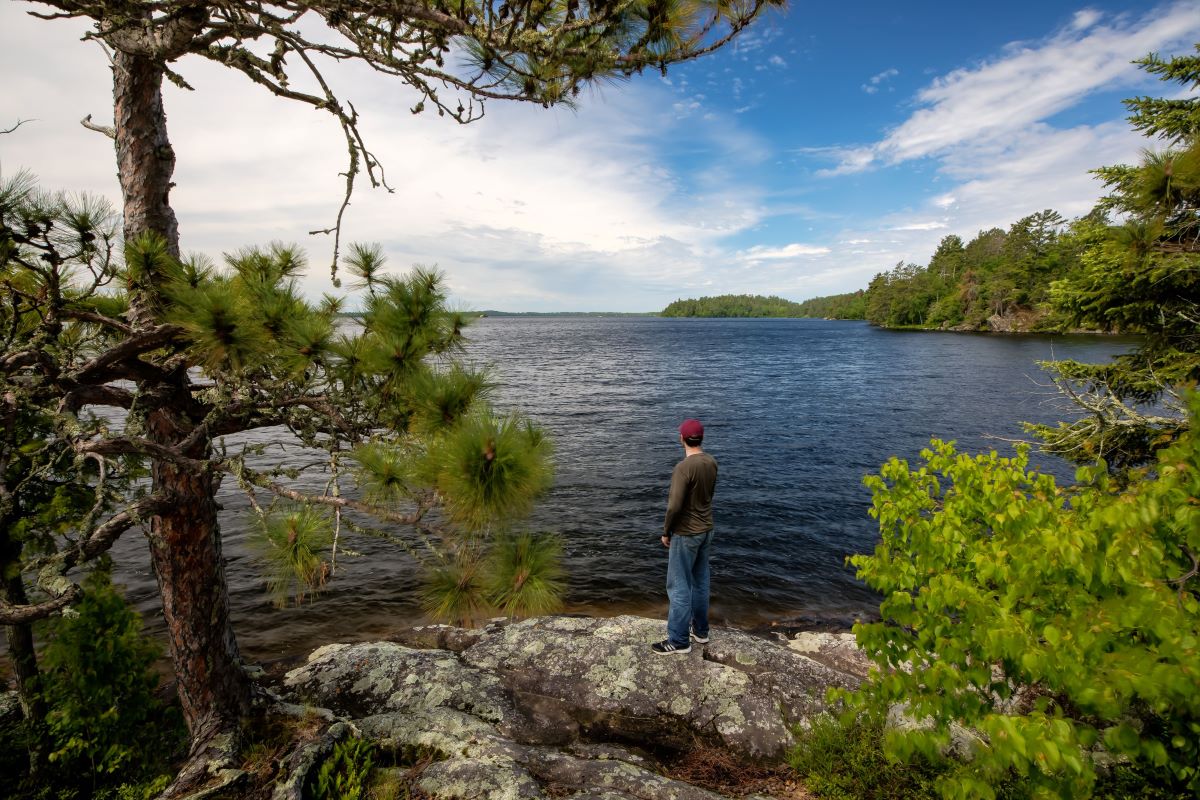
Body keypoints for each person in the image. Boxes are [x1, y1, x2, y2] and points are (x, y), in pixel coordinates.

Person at [652, 418, 718, 655]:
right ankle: (701, 631)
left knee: (679, 586)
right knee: (700, 582)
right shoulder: (711, 462)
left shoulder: (683, 468)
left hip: (686, 533)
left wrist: (666, 531)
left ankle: (679, 640)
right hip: (707, 529)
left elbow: (674, 506)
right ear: (701, 438)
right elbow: (706, 496)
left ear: (681, 438)